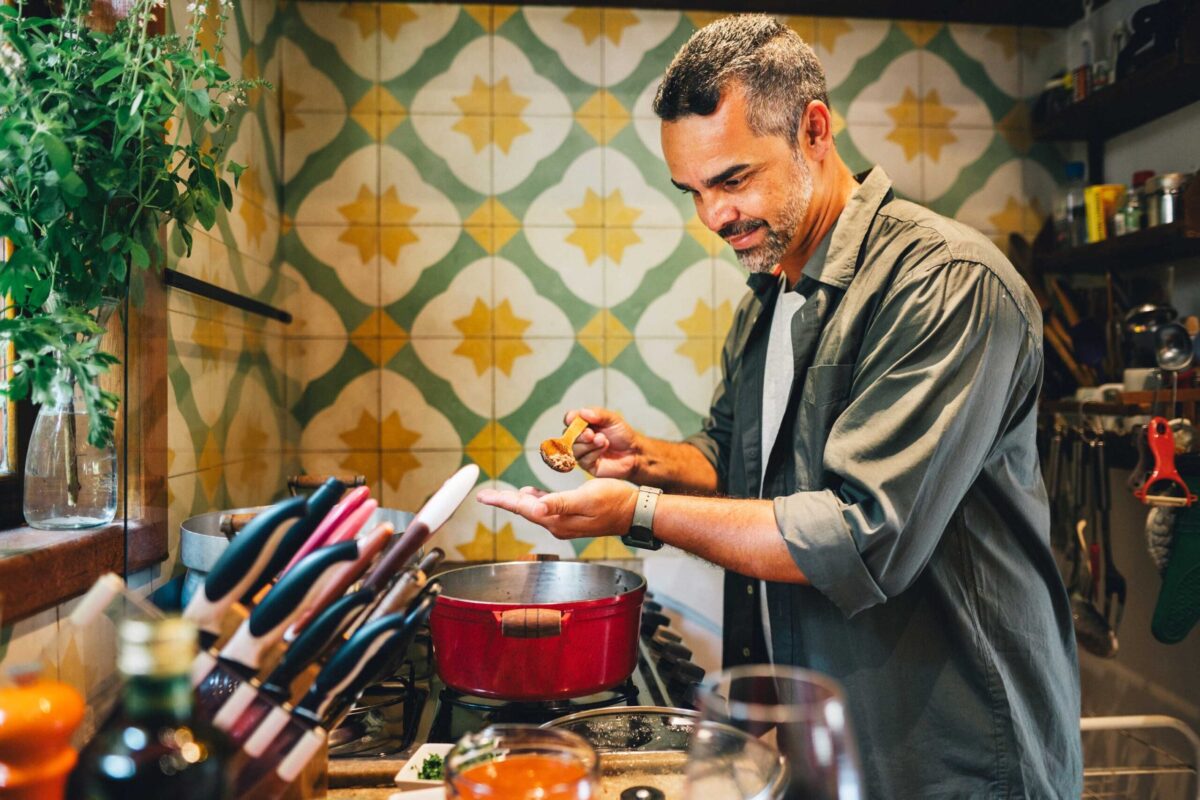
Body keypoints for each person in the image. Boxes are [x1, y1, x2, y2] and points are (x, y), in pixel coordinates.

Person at [477, 14, 1082, 799]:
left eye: (733, 180)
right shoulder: (772, 293)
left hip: (948, 756)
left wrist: (640, 508)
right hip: (825, 744)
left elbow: (859, 536)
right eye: (693, 191)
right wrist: (647, 459)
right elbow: (737, 459)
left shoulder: (947, 285)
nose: (713, 217)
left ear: (815, 130)